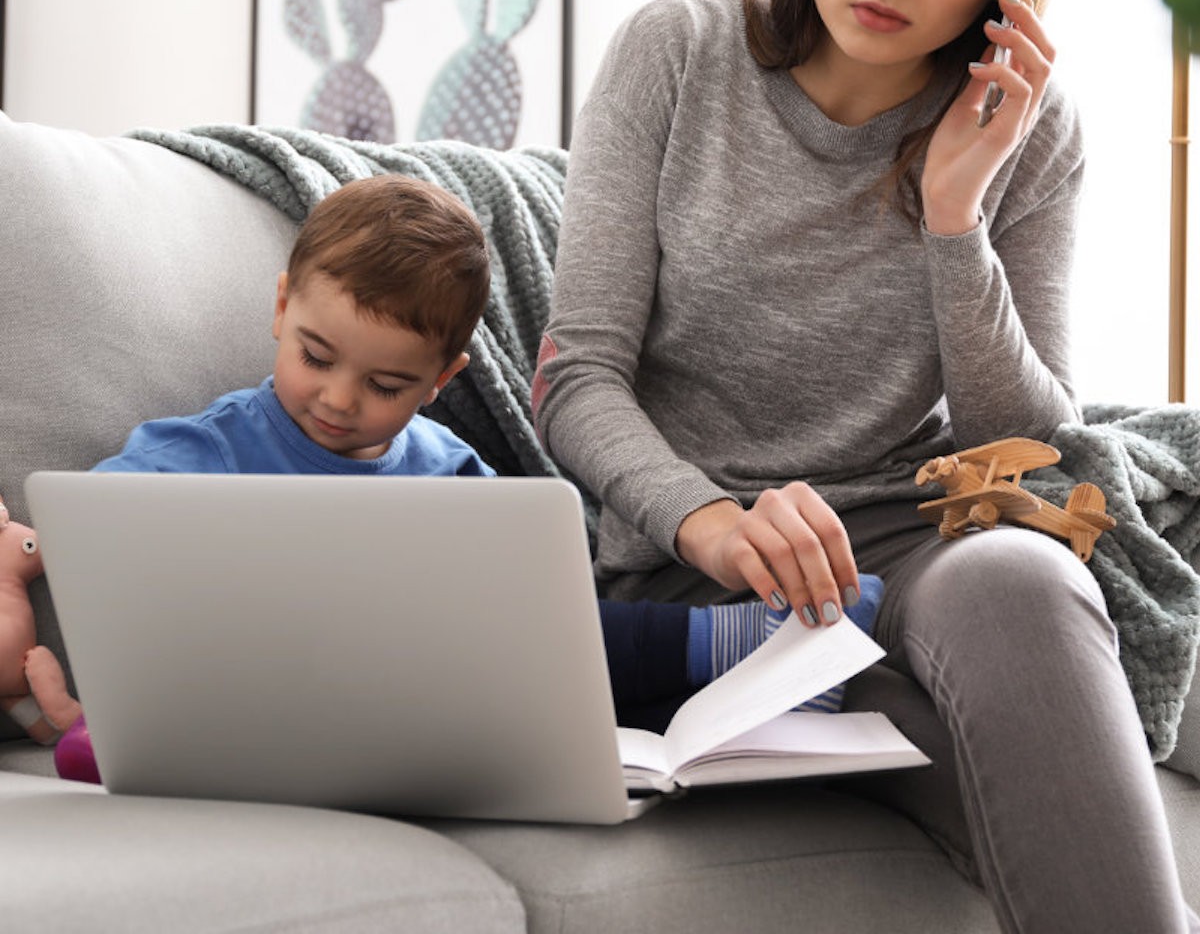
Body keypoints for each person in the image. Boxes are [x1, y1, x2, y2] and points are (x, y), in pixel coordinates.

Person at [532, 0, 1198, 932]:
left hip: (913, 534)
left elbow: (1031, 445)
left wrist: (956, 216)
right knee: (972, 719)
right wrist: (712, 522)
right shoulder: (676, 55)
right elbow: (578, 377)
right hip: (701, 555)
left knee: (1029, 581)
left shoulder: (1030, 134)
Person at [0, 174, 880, 751]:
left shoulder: (450, 469)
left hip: (433, 717)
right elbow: (89, 528)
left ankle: (774, 690)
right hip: (285, 710)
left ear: (441, 379)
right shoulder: (207, 448)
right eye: (315, 355)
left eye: (385, 383)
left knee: (566, 666)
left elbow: (526, 609)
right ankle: (731, 645)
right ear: (279, 308)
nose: (340, 400)